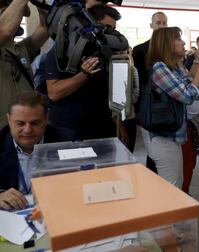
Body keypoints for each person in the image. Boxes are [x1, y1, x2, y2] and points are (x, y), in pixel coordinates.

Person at [45, 4, 127, 140]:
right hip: (70, 130)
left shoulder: (107, 53)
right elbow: (54, 93)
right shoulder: (61, 51)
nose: (109, 33)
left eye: (113, 29)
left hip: (103, 127)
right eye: (105, 27)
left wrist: (118, 123)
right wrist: (84, 75)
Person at [142, 27, 199, 188]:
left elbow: (191, 82)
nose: (184, 42)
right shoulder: (160, 67)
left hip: (171, 133)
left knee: (177, 180)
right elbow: (187, 96)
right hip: (162, 135)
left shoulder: (175, 66)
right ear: (166, 44)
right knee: (172, 186)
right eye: (178, 39)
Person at [0, 91, 76, 210]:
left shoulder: (66, 141)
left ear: (46, 118)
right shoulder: (1, 140)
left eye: (35, 123)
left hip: (54, 210)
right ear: (9, 120)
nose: (27, 130)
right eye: (20, 123)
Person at [0, 0, 49, 128]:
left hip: (27, 128)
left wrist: (41, 3)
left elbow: (45, 28)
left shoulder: (20, 49)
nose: (21, 18)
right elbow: (4, 31)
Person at [132, 11, 168, 173]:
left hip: (170, 105)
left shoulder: (172, 48)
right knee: (153, 149)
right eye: (158, 22)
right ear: (151, 25)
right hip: (149, 105)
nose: (161, 26)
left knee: (167, 150)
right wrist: (139, 109)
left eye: (164, 23)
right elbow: (139, 81)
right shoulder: (140, 50)